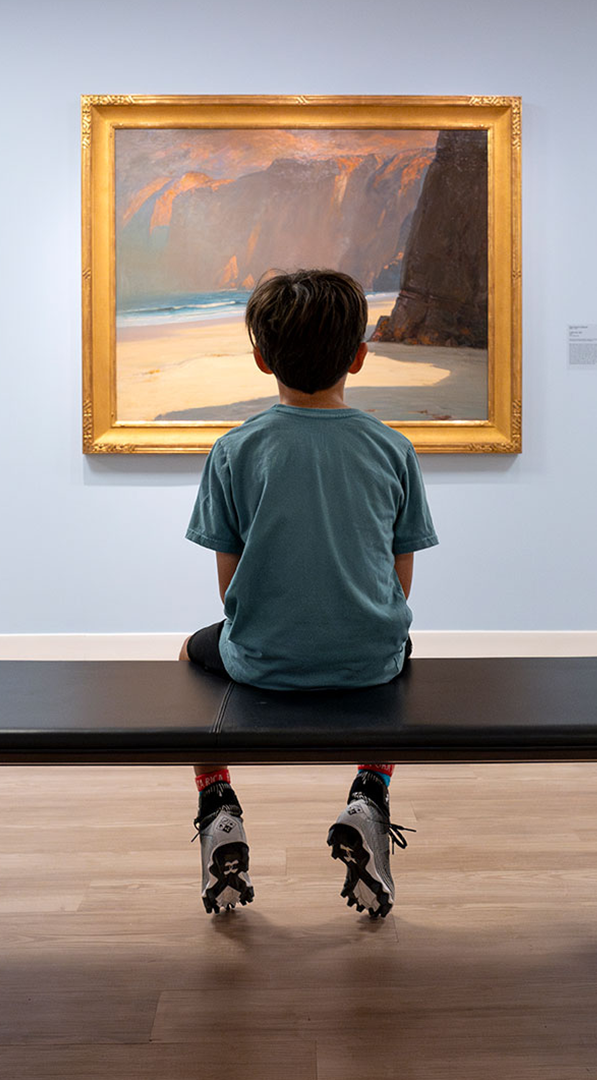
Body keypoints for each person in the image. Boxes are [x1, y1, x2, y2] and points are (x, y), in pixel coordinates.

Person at [180, 268, 438, 919]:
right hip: (369, 660)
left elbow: (230, 591)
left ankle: (218, 806)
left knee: (188, 652)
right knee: (396, 644)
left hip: (261, 659)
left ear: (262, 358)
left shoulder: (234, 450)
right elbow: (398, 585)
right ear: (358, 353)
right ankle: (370, 795)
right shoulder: (392, 448)